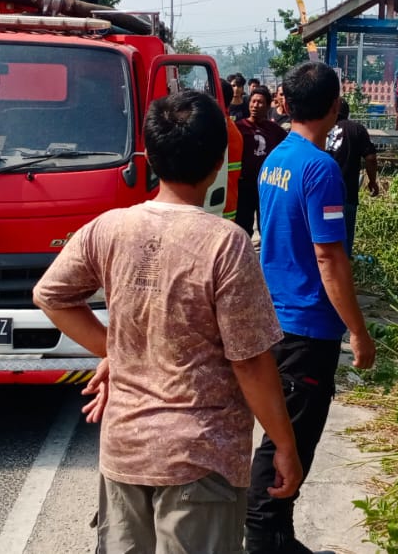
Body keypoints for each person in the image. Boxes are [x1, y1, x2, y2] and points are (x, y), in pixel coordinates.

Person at [34, 90, 302, 553]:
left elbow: (51, 295)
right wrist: (285, 443)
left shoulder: (109, 227)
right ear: (220, 160)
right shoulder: (226, 243)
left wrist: (114, 351)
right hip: (200, 460)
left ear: (151, 156)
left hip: (124, 452)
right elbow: (250, 362)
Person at [246, 62, 376, 554]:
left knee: (286, 432)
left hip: (276, 315)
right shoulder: (320, 169)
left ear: (285, 104)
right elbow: (329, 257)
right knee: (289, 440)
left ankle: (277, 534)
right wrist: (359, 333)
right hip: (307, 325)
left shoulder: (277, 157)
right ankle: (264, 538)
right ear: (335, 108)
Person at [324, 99, 379, 256]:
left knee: (324, 235)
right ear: (347, 113)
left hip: (323, 192)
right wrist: (372, 181)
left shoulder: (321, 128)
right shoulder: (357, 129)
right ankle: (345, 268)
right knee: (345, 234)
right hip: (347, 191)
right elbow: (371, 158)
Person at [234, 87, 287, 236]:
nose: (255, 105)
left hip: (266, 185)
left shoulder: (274, 130)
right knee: (243, 227)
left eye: (260, 103)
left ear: (268, 105)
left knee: (266, 226)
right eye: (253, 101)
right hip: (244, 186)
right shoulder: (239, 127)